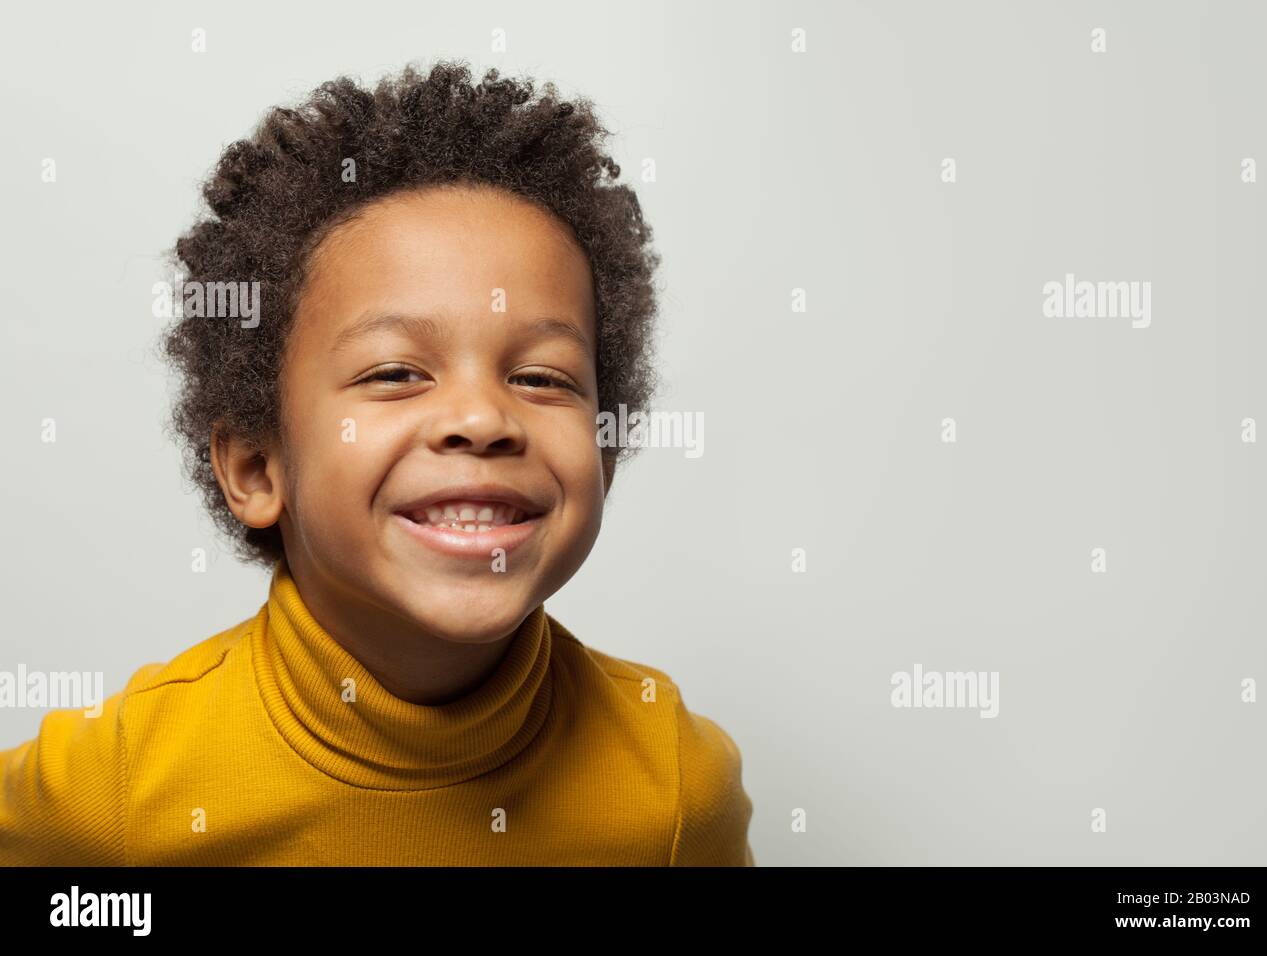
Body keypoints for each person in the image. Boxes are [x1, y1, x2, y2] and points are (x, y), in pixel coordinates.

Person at [0, 60, 754, 866]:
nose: (481, 418)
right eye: (396, 373)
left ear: (603, 454)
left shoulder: (674, 787)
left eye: (541, 377)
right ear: (257, 466)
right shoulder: (111, 792)